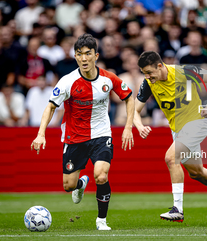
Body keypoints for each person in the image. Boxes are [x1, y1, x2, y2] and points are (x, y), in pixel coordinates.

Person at [31, 34, 135, 230]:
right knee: (68, 185)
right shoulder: (67, 82)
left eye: (88, 54)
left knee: (101, 176)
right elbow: (51, 107)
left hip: (101, 134)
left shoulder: (108, 78)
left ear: (95, 56)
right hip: (74, 137)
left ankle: (101, 220)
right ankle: (80, 184)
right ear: (75, 57)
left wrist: (128, 127)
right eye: (79, 54)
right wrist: (40, 133)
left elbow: (129, 97)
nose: (84, 58)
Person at [135, 51, 207, 222]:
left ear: (160, 66)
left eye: (149, 72)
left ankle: (178, 209)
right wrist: (139, 126)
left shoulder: (182, 71)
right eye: (144, 73)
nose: (147, 76)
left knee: (171, 158)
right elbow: (135, 110)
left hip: (197, 123)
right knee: (197, 172)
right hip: (178, 130)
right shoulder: (148, 83)